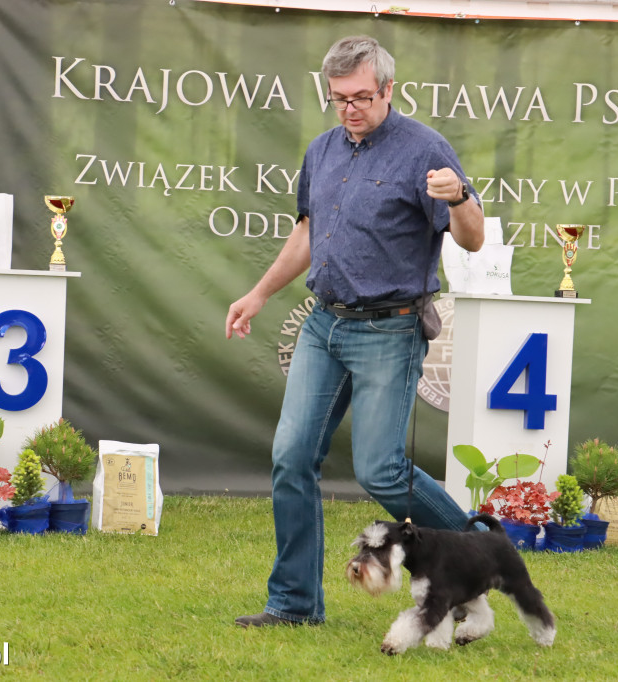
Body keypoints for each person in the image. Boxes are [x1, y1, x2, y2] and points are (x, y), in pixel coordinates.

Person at [225, 35, 485, 628]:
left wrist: (462, 196)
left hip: (391, 329)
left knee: (380, 469)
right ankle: (293, 605)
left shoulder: (426, 149)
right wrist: (259, 293)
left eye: (362, 97)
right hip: (324, 325)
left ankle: (474, 557)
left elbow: (471, 238)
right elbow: (307, 235)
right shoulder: (322, 151)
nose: (350, 108)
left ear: (388, 90)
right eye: (338, 98)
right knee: (291, 456)